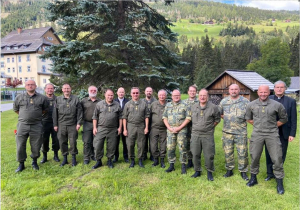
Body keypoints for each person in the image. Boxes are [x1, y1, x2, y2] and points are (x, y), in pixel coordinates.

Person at [245, 85, 287, 194]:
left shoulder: (277, 105)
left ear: (269, 92)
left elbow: (284, 119)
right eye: (261, 92)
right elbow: (248, 119)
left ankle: (279, 183)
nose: (263, 94)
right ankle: (253, 178)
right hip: (257, 134)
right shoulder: (251, 105)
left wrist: (272, 125)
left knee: (277, 158)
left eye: (265, 92)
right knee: (254, 156)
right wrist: (259, 125)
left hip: (272, 134)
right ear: (258, 92)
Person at [13, 80, 49, 172]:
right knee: (20, 144)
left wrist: (34, 116)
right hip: (22, 125)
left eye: (32, 84)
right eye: (28, 85)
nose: (30, 86)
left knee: (36, 144)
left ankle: (34, 161)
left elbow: (45, 110)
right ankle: (21, 164)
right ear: (25, 86)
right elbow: (16, 109)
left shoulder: (42, 98)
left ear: (35, 86)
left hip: (36, 125)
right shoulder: (19, 97)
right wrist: (25, 116)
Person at [265, 81, 297, 181]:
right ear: (274, 89)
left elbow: (293, 119)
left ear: (285, 89)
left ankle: (278, 173)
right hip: (269, 132)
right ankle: (270, 173)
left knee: (281, 153)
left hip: (284, 132)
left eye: (281, 87)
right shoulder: (268, 99)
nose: (279, 89)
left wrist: (292, 133)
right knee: (269, 152)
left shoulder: (291, 101)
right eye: (277, 87)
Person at [219, 84, 250, 181]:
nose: (234, 91)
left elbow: (250, 115)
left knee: (242, 152)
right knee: (228, 152)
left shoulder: (245, 102)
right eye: (232, 89)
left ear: (239, 90)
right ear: (229, 90)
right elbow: (219, 113)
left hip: (241, 132)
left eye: (236, 89)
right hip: (227, 132)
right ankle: (229, 170)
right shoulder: (224, 101)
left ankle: (243, 171)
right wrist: (228, 118)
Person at [190, 89, 220, 181]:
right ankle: (197, 171)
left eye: (204, 95)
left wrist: (210, 127)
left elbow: (217, 119)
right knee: (195, 154)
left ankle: (209, 172)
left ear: (207, 96)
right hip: (195, 134)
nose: (202, 97)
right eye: (201, 95)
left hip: (207, 135)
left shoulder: (213, 107)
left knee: (209, 155)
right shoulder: (193, 107)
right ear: (198, 96)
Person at [53, 84, 82, 167]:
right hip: (61, 124)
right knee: (62, 142)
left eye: (68, 88)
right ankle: (65, 158)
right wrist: (55, 125)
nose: (66, 90)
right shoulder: (58, 99)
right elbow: (55, 113)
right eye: (65, 88)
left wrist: (78, 123)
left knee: (73, 142)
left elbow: (79, 112)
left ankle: (73, 159)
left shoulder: (76, 99)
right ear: (62, 90)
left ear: (70, 89)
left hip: (72, 124)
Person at [92, 89, 122, 169]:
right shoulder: (99, 104)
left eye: (111, 95)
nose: (110, 97)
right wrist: (94, 128)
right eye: (108, 95)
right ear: (105, 95)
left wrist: (120, 127)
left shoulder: (117, 105)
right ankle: (99, 161)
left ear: (113, 95)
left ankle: (109, 160)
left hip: (113, 129)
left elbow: (120, 117)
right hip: (101, 128)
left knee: (111, 146)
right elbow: (95, 117)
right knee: (98, 145)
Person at [162, 89, 191, 174]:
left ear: (180, 95)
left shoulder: (185, 105)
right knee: (170, 147)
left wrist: (179, 128)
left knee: (183, 148)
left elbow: (188, 118)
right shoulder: (168, 105)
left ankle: (183, 166)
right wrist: (169, 128)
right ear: (172, 96)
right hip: (170, 130)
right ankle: (171, 165)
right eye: (174, 95)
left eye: (177, 95)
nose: (176, 97)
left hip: (182, 130)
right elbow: (164, 117)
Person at [123, 87, 150, 168]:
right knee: (130, 144)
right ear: (131, 94)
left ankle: (140, 160)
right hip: (130, 126)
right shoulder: (127, 104)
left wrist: (146, 127)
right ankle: (132, 160)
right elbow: (124, 117)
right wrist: (124, 129)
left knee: (141, 144)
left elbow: (147, 116)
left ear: (139, 93)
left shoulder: (144, 104)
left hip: (141, 126)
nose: (135, 94)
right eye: (133, 93)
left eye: (137, 93)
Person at [81, 86, 101, 165]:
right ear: (88, 91)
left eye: (94, 90)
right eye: (91, 90)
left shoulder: (100, 101)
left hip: (98, 124)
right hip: (87, 123)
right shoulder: (84, 101)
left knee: (95, 141)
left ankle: (94, 155)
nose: (93, 91)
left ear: (96, 91)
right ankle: (86, 157)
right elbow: (80, 112)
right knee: (87, 141)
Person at [41, 83, 60, 163]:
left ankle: (56, 155)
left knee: (56, 139)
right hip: (44, 122)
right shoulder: (41, 99)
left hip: (55, 123)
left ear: (53, 89)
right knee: (44, 139)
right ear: (45, 89)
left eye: (51, 88)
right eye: (48, 88)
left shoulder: (58, 99)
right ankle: (44, 156)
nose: (50, 90)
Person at [150, 89, 167, 168]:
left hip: (164, 129)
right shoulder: (153, 104)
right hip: (154, 128)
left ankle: (162, 160)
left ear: (166, 96)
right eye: (160, 95)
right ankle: (156, 159)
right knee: (153, 146)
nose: (162, 96)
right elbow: (149, 115)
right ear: (158, 96)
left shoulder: (169, 105)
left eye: (163, 95)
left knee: (163, 145)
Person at [183, 85, 198, 168]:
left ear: (196, 92)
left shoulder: (199, 102)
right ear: (188, 92)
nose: (192, 92)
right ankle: (189, 160)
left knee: (195, 144)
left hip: (196, 127)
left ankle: (195, 160)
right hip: (186, 126)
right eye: (190, 91)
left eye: (194, 91)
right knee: (187, 144)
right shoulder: (183, 102)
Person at [113, 87, 129, 163]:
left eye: (122, 92)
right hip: (116, 125)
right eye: (120, 92)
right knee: (116, 142)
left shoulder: (128, 101)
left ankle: (126, 156)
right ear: (117, 93)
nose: (121, 93)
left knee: (125, 142)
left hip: (126, 125)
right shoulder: (113, 101)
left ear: (124, 93)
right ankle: (116, 157)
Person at [143, 87, 156, 161]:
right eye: (147, 91)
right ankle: (144, 155)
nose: (149, 92)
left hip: (153, 123)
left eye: (150, 91)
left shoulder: (155, 101)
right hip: (143, 124)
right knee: (144, 140)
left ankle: (152, 155)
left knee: (152, 141)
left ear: (152, 92)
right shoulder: (142, 101)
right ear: (145, 92)